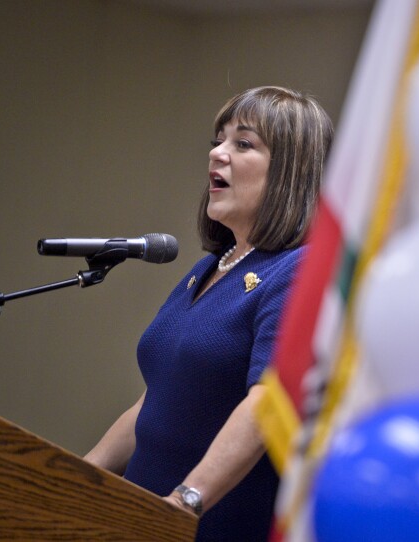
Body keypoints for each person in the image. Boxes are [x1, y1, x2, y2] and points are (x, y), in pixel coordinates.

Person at [84, 86, 334, 541]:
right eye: (217, 140)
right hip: (136, 519)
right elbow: (157, 401)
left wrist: (185, 502)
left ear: (289, 172)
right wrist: (78, 478)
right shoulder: (209, 268)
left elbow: (268, 401)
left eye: (243, 143)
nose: (217, 153)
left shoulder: (297, 270)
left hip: (208, 524)